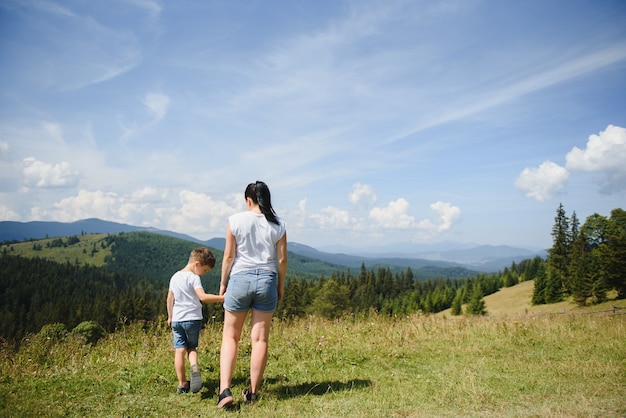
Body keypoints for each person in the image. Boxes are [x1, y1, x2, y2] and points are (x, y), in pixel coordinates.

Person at [217, 181, 287, 408]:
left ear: (249, 200)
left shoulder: (235, 220)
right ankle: (253, 393)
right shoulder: (279, 225)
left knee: (230, 336)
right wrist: (280, 285)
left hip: (240, 279)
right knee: (260, 339)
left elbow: (228, 257)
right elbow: (282, 260)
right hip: (267, 280)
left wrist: (223, 283)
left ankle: (225, 390)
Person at [167, 247, 224, 394]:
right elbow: (203, 297)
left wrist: (170, 316)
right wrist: (223, 298)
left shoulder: (175, 277)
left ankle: (182, 384)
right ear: (197, 264)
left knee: (179, 351)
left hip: (177, 319)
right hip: (193, 319)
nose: (204, 273)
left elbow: (170, 298)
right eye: (204, 270)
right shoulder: (194, 278)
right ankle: (194, 366)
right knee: (192, 348)